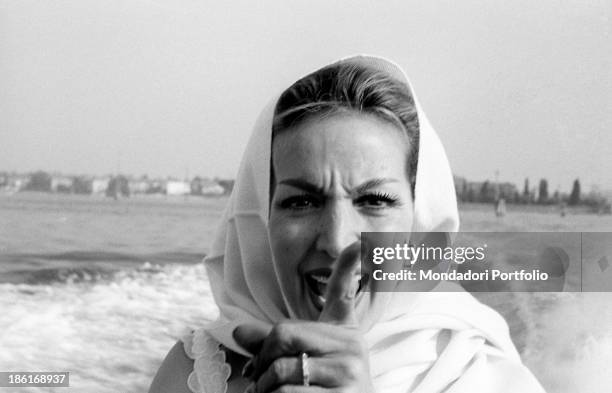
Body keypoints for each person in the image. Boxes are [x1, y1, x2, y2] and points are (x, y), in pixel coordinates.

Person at [149, 55, 545, 393]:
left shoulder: (481, 375)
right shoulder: (197, 372)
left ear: (419, 222)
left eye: (375, 201)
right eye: (301, 201)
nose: (337, 243)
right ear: (261, 220)